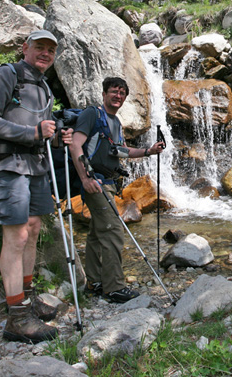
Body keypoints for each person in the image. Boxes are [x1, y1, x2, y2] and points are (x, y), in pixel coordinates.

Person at [0, 29, 72, 343]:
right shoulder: (6, 75)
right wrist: (32, 132)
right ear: (25, 48)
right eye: (39, 47)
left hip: (36, 166)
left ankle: (26, 299)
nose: (45, 53)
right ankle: (17, 318)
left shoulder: (44, 86)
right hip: (7, 164)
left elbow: (42, 131)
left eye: (50, 50)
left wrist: (56, 137)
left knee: (32, 228)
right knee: (16, 235)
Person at [68, 77, 165, 303]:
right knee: (113, 231)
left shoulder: (115, 122)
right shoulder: (92, 114)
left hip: (109, 183)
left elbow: (120, 151)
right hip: (95, 182)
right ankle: (114, 287)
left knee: (96, 232)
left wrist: (148, 151)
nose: (118, 96)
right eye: (114, 91)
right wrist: (85, 178)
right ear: (104, 93)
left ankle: (95, 281)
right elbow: (75, 144)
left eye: (122, 92)